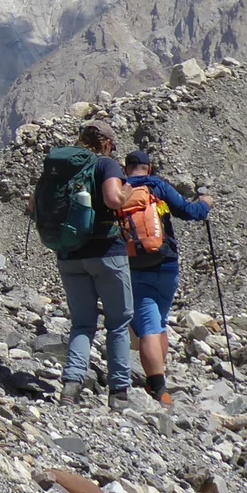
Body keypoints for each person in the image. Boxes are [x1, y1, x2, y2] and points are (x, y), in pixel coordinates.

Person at [56, 120, 136, 407]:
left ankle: (71, 387)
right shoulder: (106, 164)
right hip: (106, 252)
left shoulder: (63, 166)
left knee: (82, 323)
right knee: (118, 323)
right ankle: (119, 393)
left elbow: (32, 205)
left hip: (69, 255)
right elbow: (113, 199)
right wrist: (127, 193)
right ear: (107, 144)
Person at [123, 152, 211, 406]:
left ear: (126, 169)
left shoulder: (119, 189)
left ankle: (158, 387)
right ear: (149, 168)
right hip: (167, 264)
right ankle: (158, 381)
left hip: (135, 266)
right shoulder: (157, 186)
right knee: (159, 322)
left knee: (148, 326)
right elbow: (190, 212)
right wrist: (205, 203)